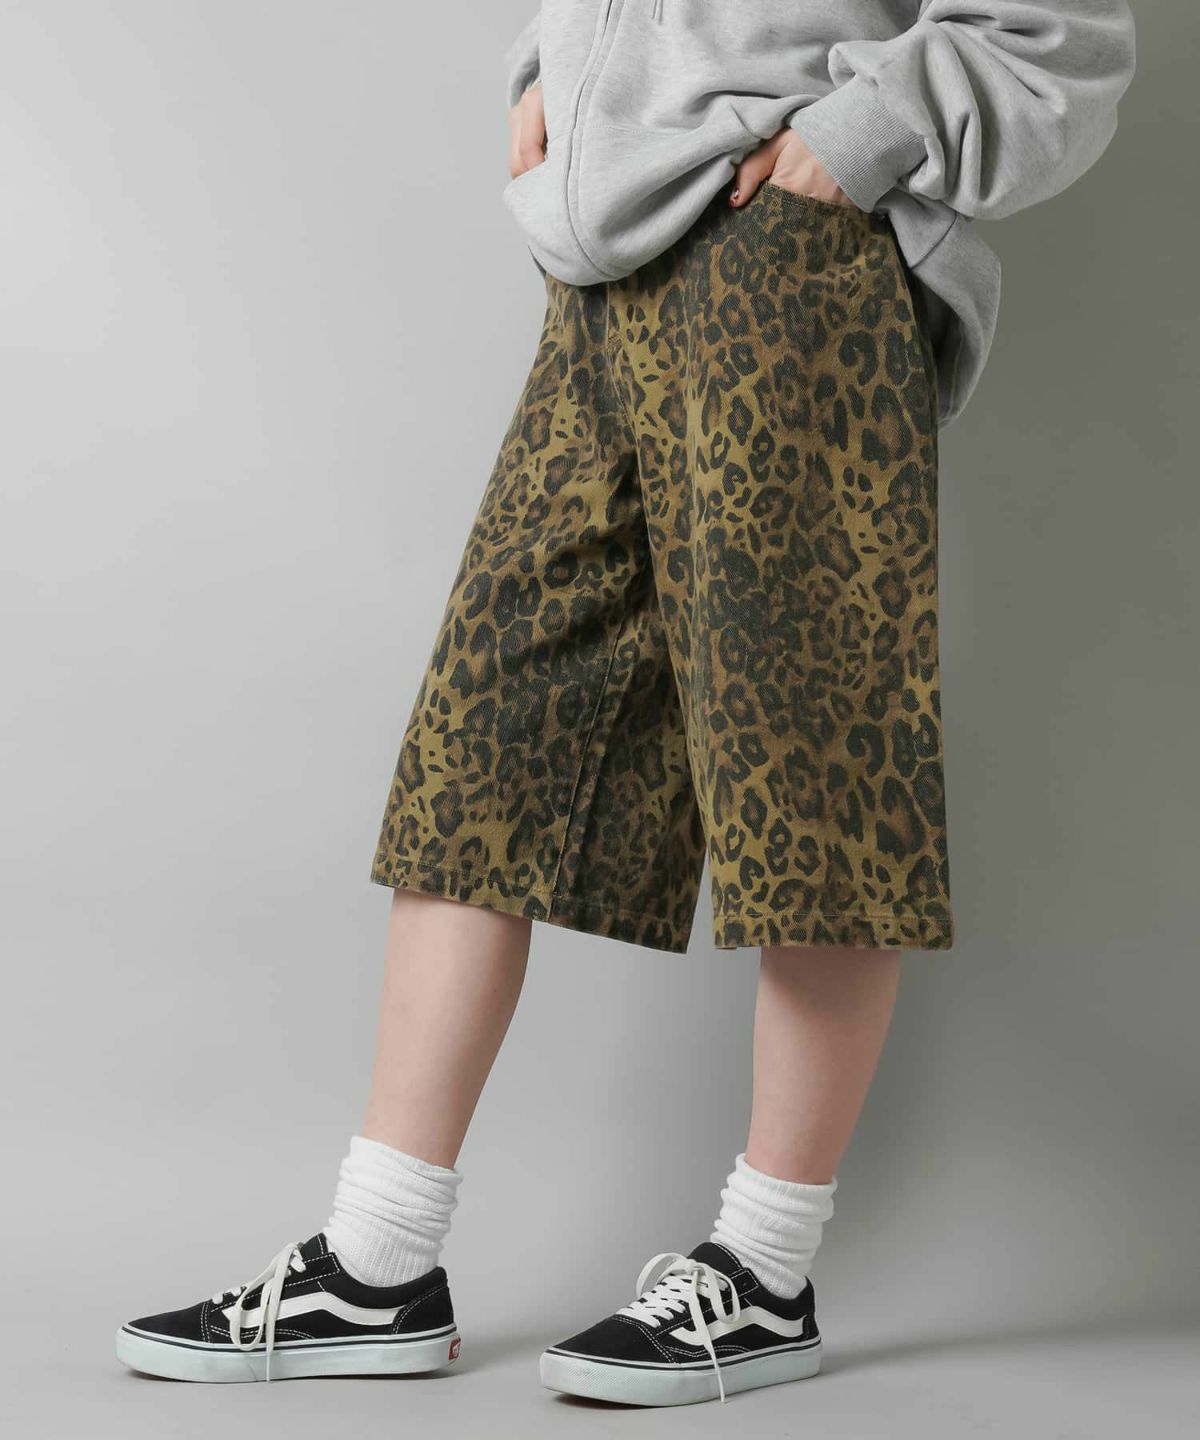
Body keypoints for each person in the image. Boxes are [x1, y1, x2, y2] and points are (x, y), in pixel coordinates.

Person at [116, 0, 1136, 1408]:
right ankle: (377, 1264)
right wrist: (550, 66)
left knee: (813, 768)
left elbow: (1063, 31)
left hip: (791, 259)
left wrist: (855, 137)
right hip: (605, 271)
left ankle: (766, 1273)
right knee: (487, 754)